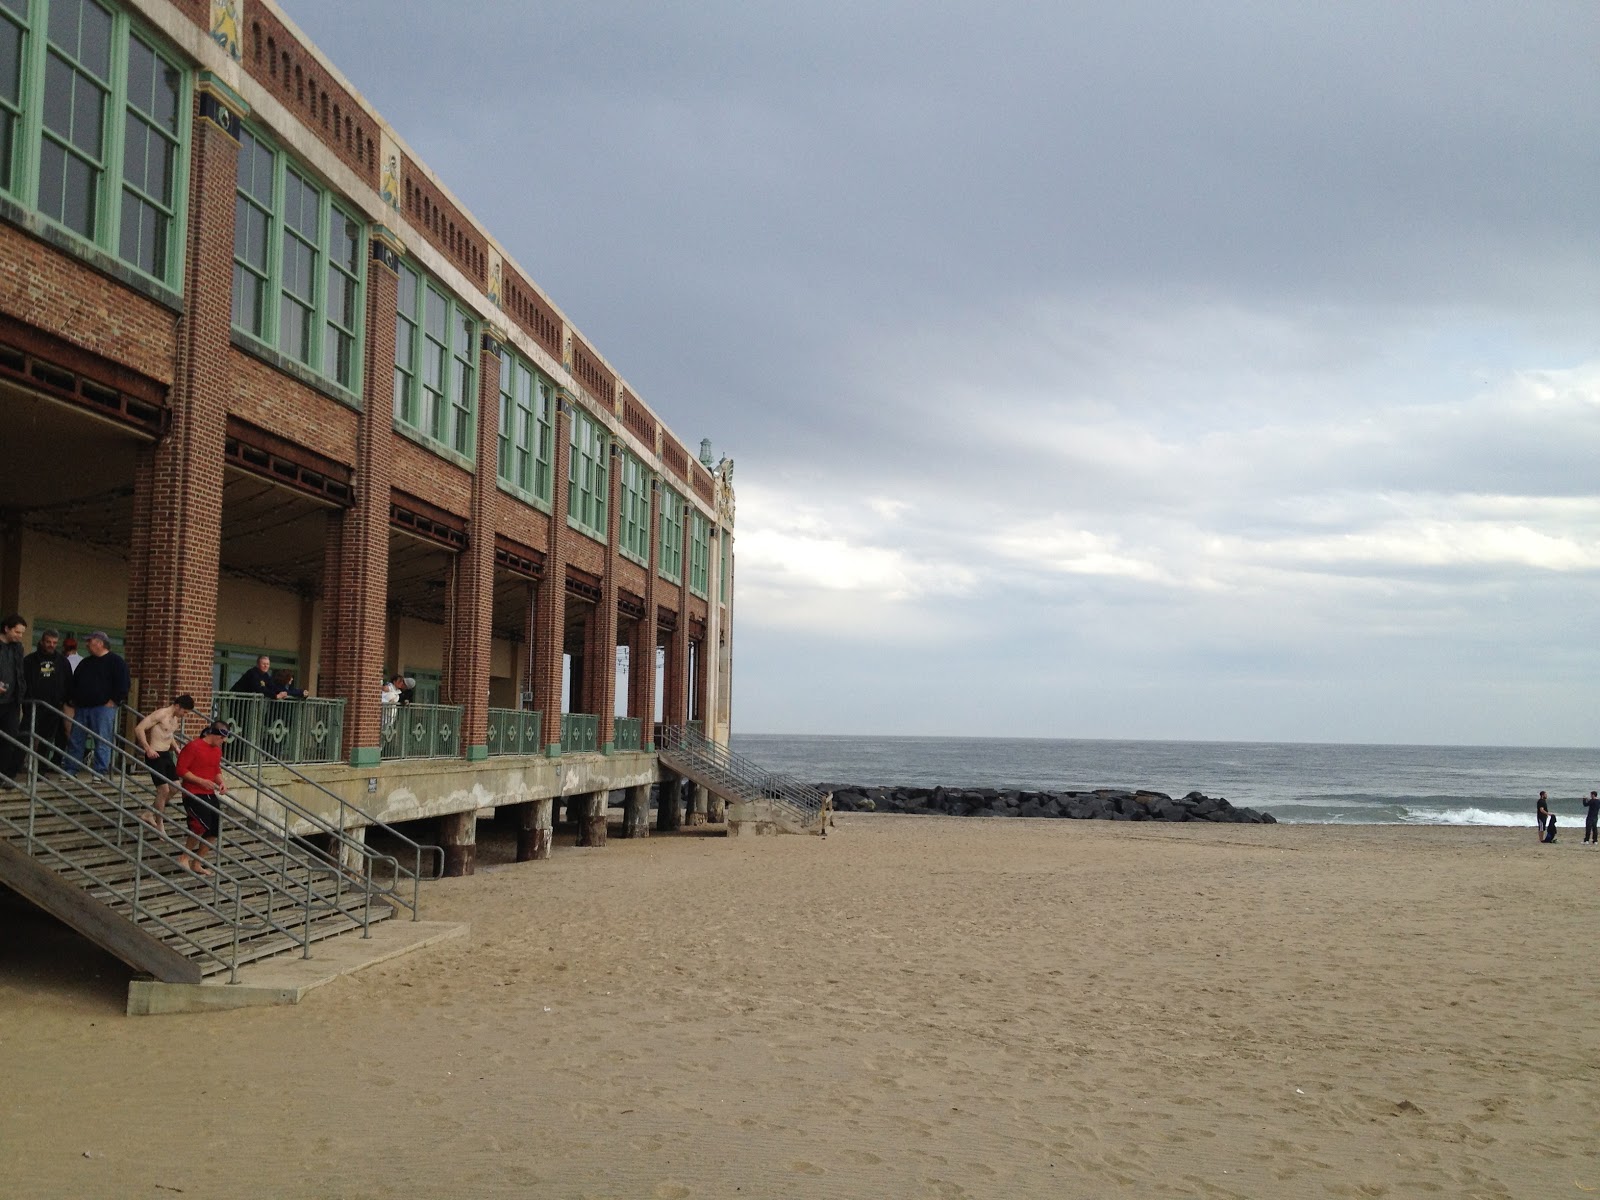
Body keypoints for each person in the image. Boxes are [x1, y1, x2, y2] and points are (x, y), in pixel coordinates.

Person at [64, 631, 129, 777]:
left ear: (100, 643)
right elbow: (75, 682)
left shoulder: (116, 662)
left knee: (102, 740)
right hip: (82, 707)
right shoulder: (85, 663)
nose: (87, 644)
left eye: (90, 641)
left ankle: (100, 771)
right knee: (76, 739)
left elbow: (123, 685)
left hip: (103, 708)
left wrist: (113, 701)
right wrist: (73, 699)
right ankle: (71, 768)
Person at [133, 695, 196, 829]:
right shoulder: (161, 714)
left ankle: (149, 813)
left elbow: (169, 734)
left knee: (175, 787)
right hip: (155, 754)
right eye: (184, 712)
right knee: (163, 790)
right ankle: (160, 824)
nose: (184, 715)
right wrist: (147, 748)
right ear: (177, 706)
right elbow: (139, 728)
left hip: (166, 754)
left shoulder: (175, 719)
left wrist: (176, 748)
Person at [175, 722, 230, 876]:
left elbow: (215, 769)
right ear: (213, 734)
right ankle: (184, 857)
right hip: (193, 792)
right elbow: (180, 769)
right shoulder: (194, 747)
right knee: (200, 825)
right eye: (221, 738)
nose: (223, 741)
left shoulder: (217, 750)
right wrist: (200, 781)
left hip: (209, 792)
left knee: (213, 830)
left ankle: (197, 862)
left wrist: (221, 782)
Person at [22, 629, 72, 770]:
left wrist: (66, 701)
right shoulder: (29, 661)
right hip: (32, 706)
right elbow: (23, 681)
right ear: (42, 641)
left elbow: (68, 683)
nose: (51, 645)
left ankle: (40, 771)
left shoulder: (62, 662)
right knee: (24, 736)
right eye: (48, 642)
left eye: (54, 642)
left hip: (54, 707)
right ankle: (14, 768)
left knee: (47, 740)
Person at [0, 614, 28, 785]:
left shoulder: (18, 648)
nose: (20, 636)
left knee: (10, 738)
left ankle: (4, 775)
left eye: (22, 633)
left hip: (12, 701)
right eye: (17, 632)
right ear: (6, 629)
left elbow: (19, 671)